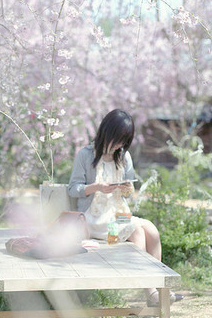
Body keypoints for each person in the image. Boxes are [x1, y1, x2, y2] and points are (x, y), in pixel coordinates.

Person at [67, 109, 183, 307]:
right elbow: (73, 189)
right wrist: (97, 187)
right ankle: (152, 292)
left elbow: (130, 191)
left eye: (124, 141)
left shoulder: (124, 157)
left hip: (117, 216)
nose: (119, 145)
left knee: (152, 231)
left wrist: (128, 189)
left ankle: (156, 291)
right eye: (118, 139)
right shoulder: (86, 155)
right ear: (107, 132)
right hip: (94, 219)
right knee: (138, 230)